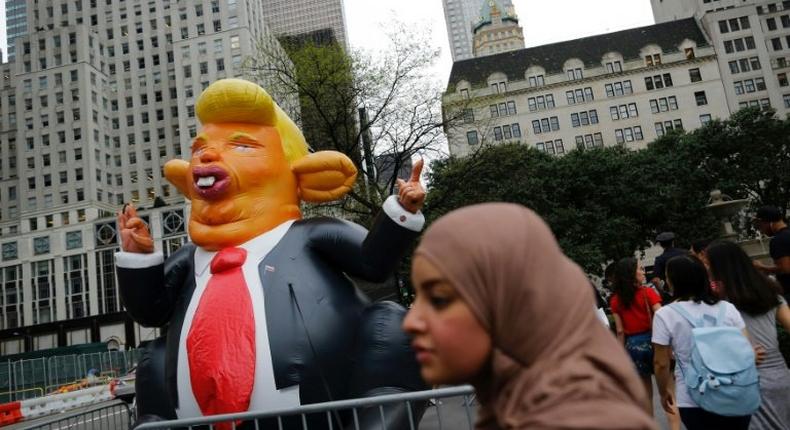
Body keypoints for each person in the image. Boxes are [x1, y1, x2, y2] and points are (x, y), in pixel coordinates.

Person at [115, 79, 427, 429]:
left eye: (243, 147)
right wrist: (140, 258)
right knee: (155, 356)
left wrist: (402, 211)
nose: (206, 154)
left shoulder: (309, 236)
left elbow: (374, 262)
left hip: (320, 416)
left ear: (302, 174)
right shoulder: (191, 260)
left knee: (389, 324)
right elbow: (149, 311)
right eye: (199, 147)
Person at [402, 203, 657, 430]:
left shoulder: (579, 418)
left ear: (510, 303)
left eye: (439, 299)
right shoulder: (512, 407)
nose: (410, 322)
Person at [652, 255, 752, 430]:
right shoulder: (727, 308)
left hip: (693, 400)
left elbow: (661, 363)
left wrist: (663, 392)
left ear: (673, 281)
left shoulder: (665, 314)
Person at [706, 240, 790, 430]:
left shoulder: (720, 304)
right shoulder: (770, 293)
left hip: (744, 380)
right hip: (780, 375)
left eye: (709, 265)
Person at [609, 257, 663, 416]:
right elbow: (660, 314)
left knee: (646, 394)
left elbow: (619, 331)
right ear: (631, 273)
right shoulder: (648, 292)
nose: (643, 271)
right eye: (639, 268)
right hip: (655, 341)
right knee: (667, 390)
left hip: (633, 346)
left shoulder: (615, 300)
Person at [753, 206, 790, 302]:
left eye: (760, 225)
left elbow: (785, 269)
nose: (761, 230)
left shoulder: (778, 240)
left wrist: (762, 267)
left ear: (767, 222)